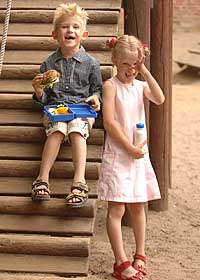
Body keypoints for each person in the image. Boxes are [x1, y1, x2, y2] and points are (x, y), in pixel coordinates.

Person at [98, 35, 165, 280]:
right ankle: (121, 261)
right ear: (115, 61)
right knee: (117, 208)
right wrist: (128, 148)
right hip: (119, 154)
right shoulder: (110, 86)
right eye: (126, 64)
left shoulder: (140, 85)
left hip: (138, 155)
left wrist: (145, 69)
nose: (131, 70)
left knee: (138, 205)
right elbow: (109, 121)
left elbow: (160, 98)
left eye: (135, 64)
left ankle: (140, 254)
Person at [31, 3, 102, 206]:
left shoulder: (91, 63)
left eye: (75, 27)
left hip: (82, 109)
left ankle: (79, 181)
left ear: (84, 35)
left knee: (77, 129)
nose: (70, 30)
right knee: (58, 129)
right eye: (64, 27)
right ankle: (42, 179)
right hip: (57, 109)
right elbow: (45, 98)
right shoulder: (48, 64)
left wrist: (96, 99)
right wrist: (38, 91)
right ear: (55, 34)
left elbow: (97, 89)